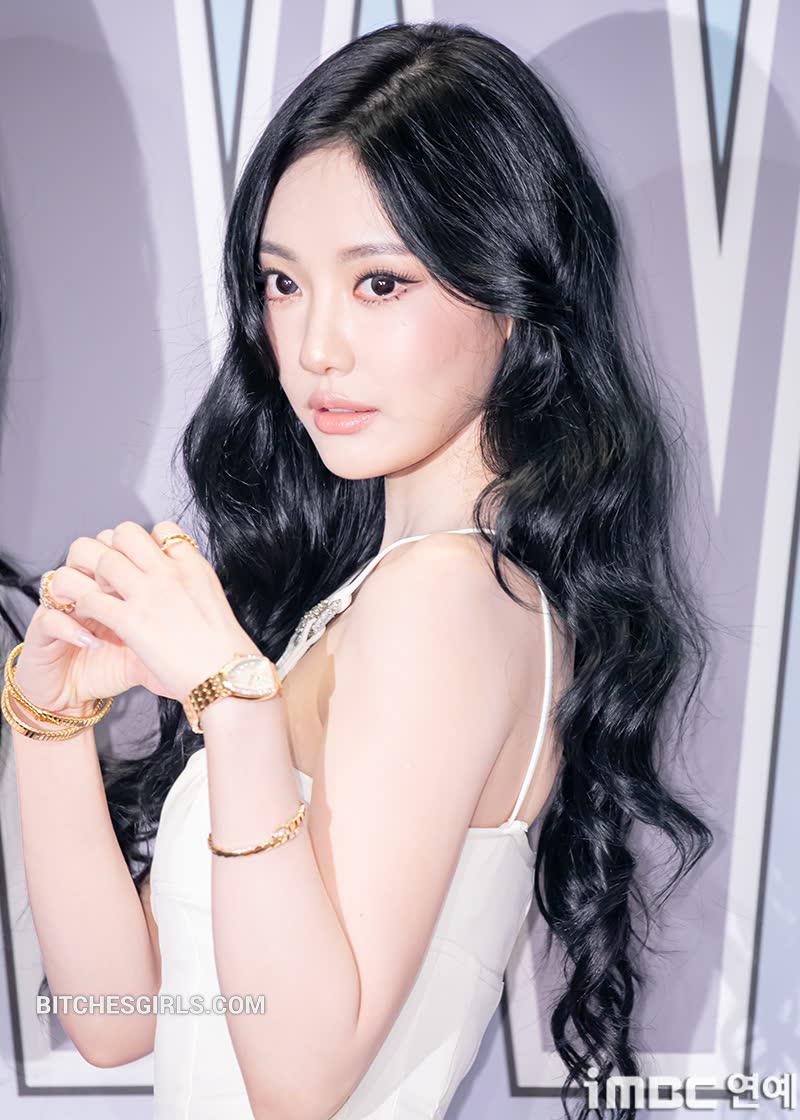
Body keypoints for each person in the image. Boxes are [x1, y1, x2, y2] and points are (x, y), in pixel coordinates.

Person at [2, 20, 714, 1120]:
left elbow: (299, 1081)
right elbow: (118, 1015)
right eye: (282, 283)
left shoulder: (447, 599)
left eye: (379, 283)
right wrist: (47, 722)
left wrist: (232, 705)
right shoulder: (370, 599)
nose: (313, 347)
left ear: (511, 292)